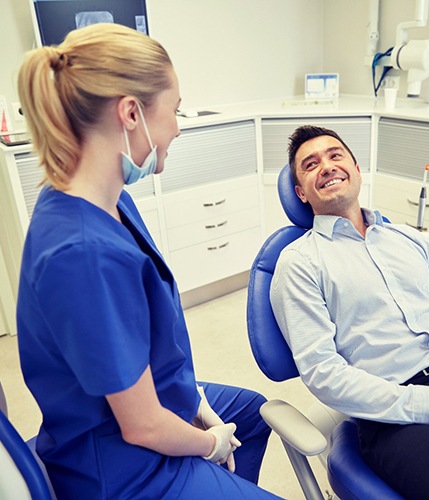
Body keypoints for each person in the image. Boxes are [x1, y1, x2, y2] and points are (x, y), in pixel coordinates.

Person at [16, 23, 281, 499]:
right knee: (227, 439)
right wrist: (208, 444)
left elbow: (145, 342)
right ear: (131, 113)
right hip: (124, 467)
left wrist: (194, 399)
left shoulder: (109, 200)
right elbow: (142, 428)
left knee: (252, 414)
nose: (178, 126)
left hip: (151, 404)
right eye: (174, 110)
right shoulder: (82, 254)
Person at [270, 125, 429, 499]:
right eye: (310, 165)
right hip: (401, 418)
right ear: (301, 193)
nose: (326, 166)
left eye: (335, 156)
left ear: (357, 170)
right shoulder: (299, 263)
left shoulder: (408, 239)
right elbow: (324, 374)